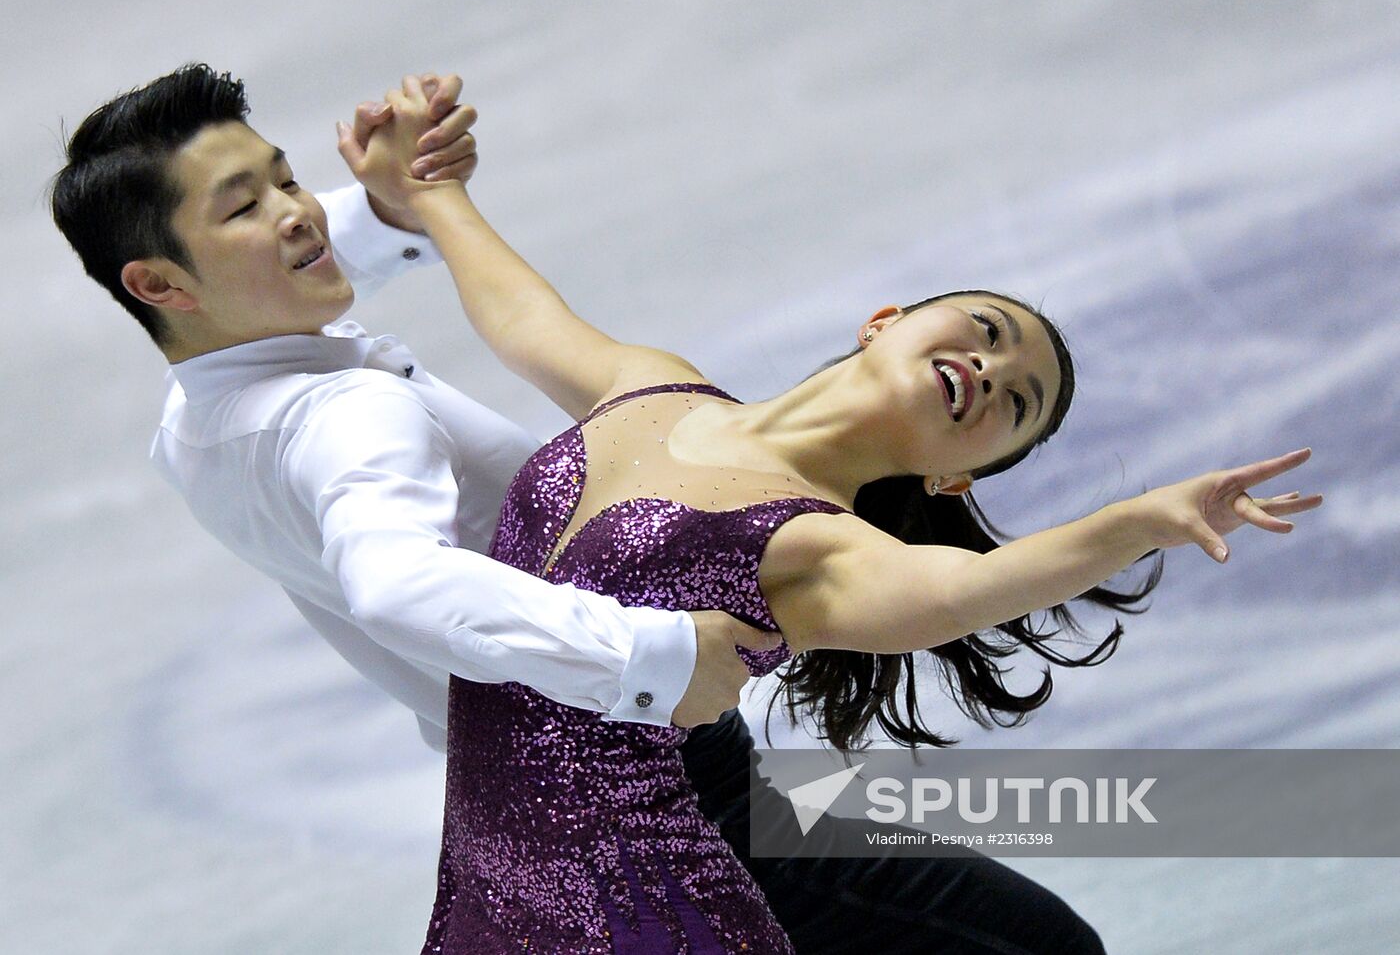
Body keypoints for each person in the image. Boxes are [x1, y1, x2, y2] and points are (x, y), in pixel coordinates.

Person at [51, 64, 1131, 954]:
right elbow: (395, 581)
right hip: (651, 788)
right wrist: (647, 652)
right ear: (161, 283)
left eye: (283, 179)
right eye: (247, 206)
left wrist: (389, 210)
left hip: (521, 813)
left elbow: (283, 295)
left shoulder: (198, 412)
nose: (293, 213)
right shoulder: (350, 423)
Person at [341, 79, 1323, 954]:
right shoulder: (655, 388)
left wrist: (1134, 521)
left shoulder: (821, 545)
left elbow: (963, 589)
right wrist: (426, 192)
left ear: (956, 478)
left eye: (1013, 404)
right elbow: (525, 316)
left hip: (681, 852)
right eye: (986, 332)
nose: (988, 369)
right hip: (508, 851)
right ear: (885, 322)